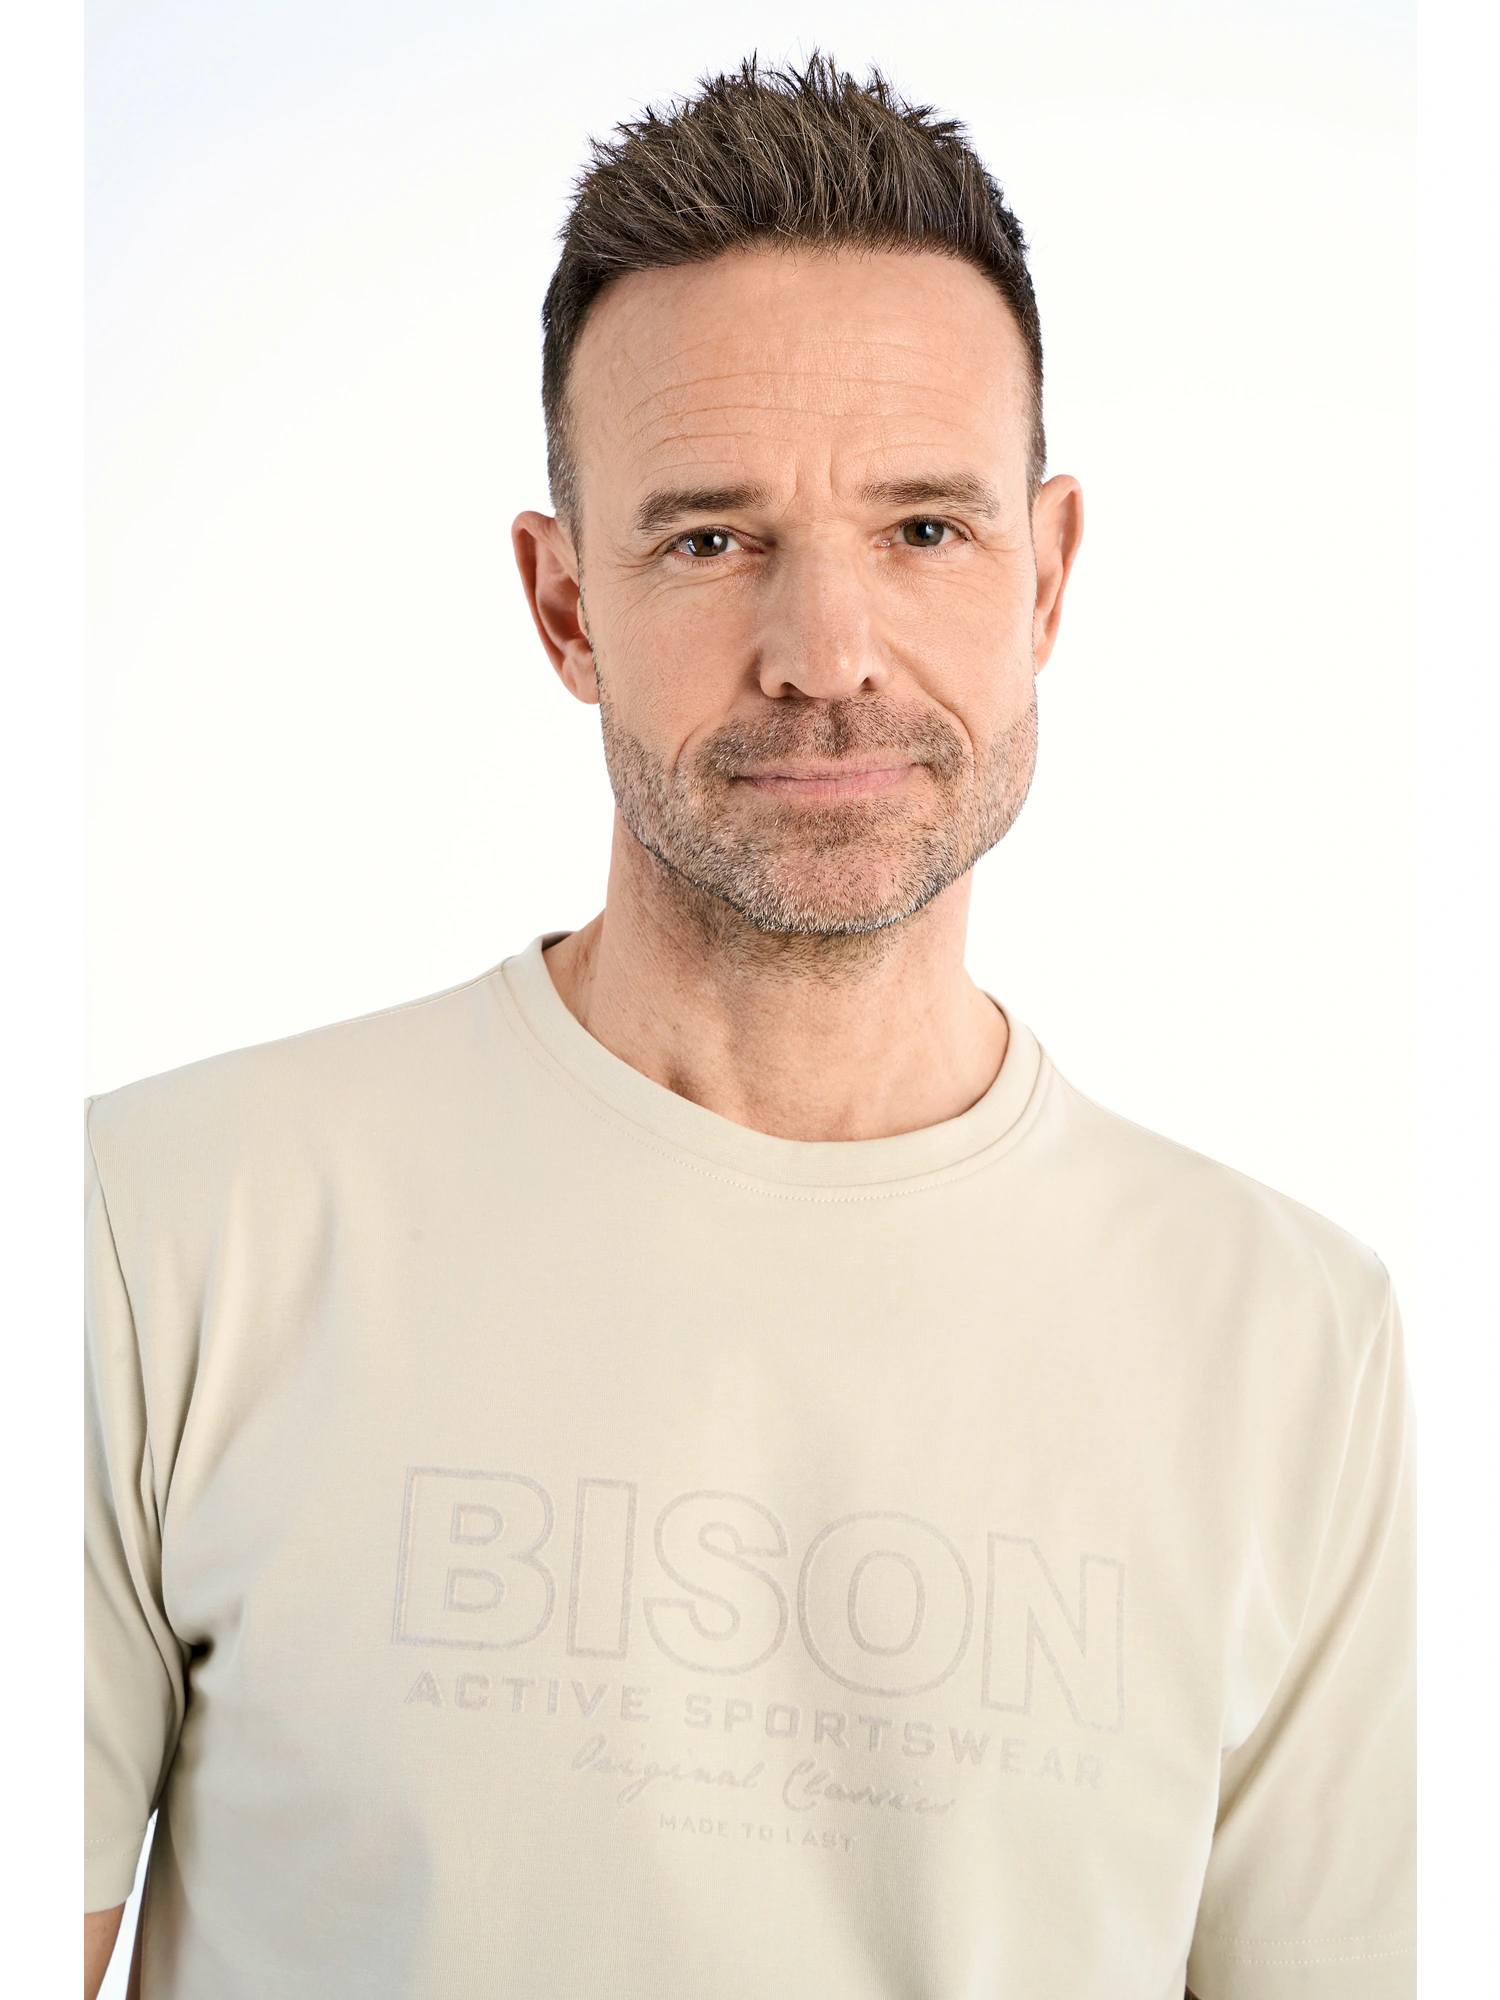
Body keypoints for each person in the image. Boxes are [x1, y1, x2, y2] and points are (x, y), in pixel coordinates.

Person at [85, 55, 1415, 2000]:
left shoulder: (1298, 1351)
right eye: (711, 541)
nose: (827, 654)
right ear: (564, 608)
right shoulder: (159, 1232)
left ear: (1047, 576)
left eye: (926, 531)